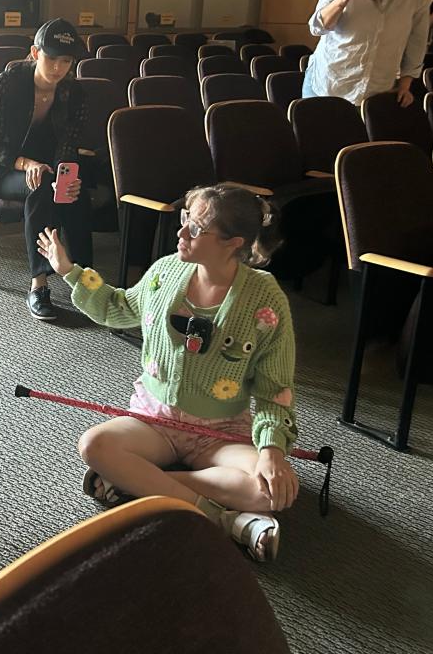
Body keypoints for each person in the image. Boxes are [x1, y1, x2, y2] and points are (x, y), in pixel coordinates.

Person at [37, 184, 298, 562]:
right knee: (93, 445)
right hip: (155, 420)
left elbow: (276, 388)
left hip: (218, 432)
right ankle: (218, 517)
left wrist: (272, 450)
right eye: (184, 220)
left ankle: (138, 484)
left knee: (271, 492)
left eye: (195, 229)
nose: (181, 233)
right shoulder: (165, 272)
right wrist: (69, 272)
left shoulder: (265, 298)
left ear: (232, 242)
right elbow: (118, 307)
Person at [0, 18, 91, 322]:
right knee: (40, 188)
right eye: (51, 58)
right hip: (8, 169)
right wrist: (27, 164)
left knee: (76, 193)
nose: (58, 67)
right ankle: (38, 284)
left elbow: (69, 143)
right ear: (35, 52)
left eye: (66, 60)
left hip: (50, 167)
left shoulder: (73, 92)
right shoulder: (10, 82)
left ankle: (86, 280)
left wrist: (66, 176)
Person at [303, 0, 428, 107]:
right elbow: (317, 27)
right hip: (328, 85)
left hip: (376, 91)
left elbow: (417, 42)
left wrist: (405, 85)